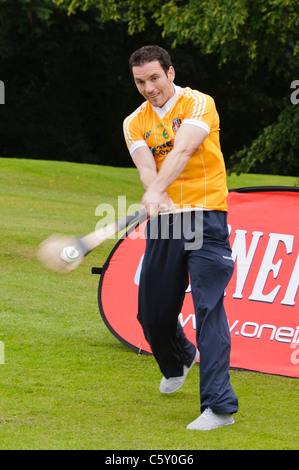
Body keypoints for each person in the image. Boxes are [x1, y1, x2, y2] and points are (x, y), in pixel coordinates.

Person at [123, 45, 238, 431]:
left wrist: (157, 189)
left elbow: (185, 148)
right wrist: (154, 190)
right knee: (151, 314)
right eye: (141, 81)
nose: (149, 87)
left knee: (208, 310)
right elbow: (145, 166)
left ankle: (219, 407)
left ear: (170, 73)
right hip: (169, 222)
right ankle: (179, 358)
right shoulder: (133, 122)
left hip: (206, 217)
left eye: (154, 77)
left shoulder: (198, 103)